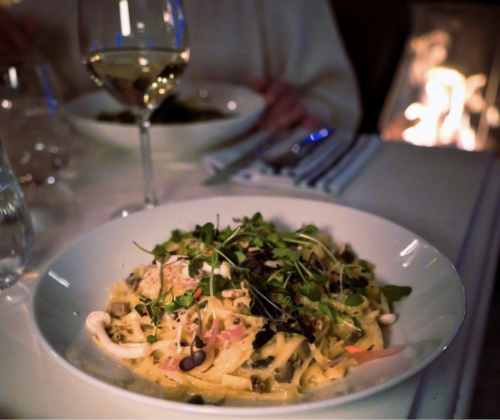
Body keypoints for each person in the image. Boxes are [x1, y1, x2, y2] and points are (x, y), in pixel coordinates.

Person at [1, 0, 361, 132]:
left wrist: (302, 109)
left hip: (251, 174)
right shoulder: (36, 12)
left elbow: (335, 102)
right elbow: (26, 118)